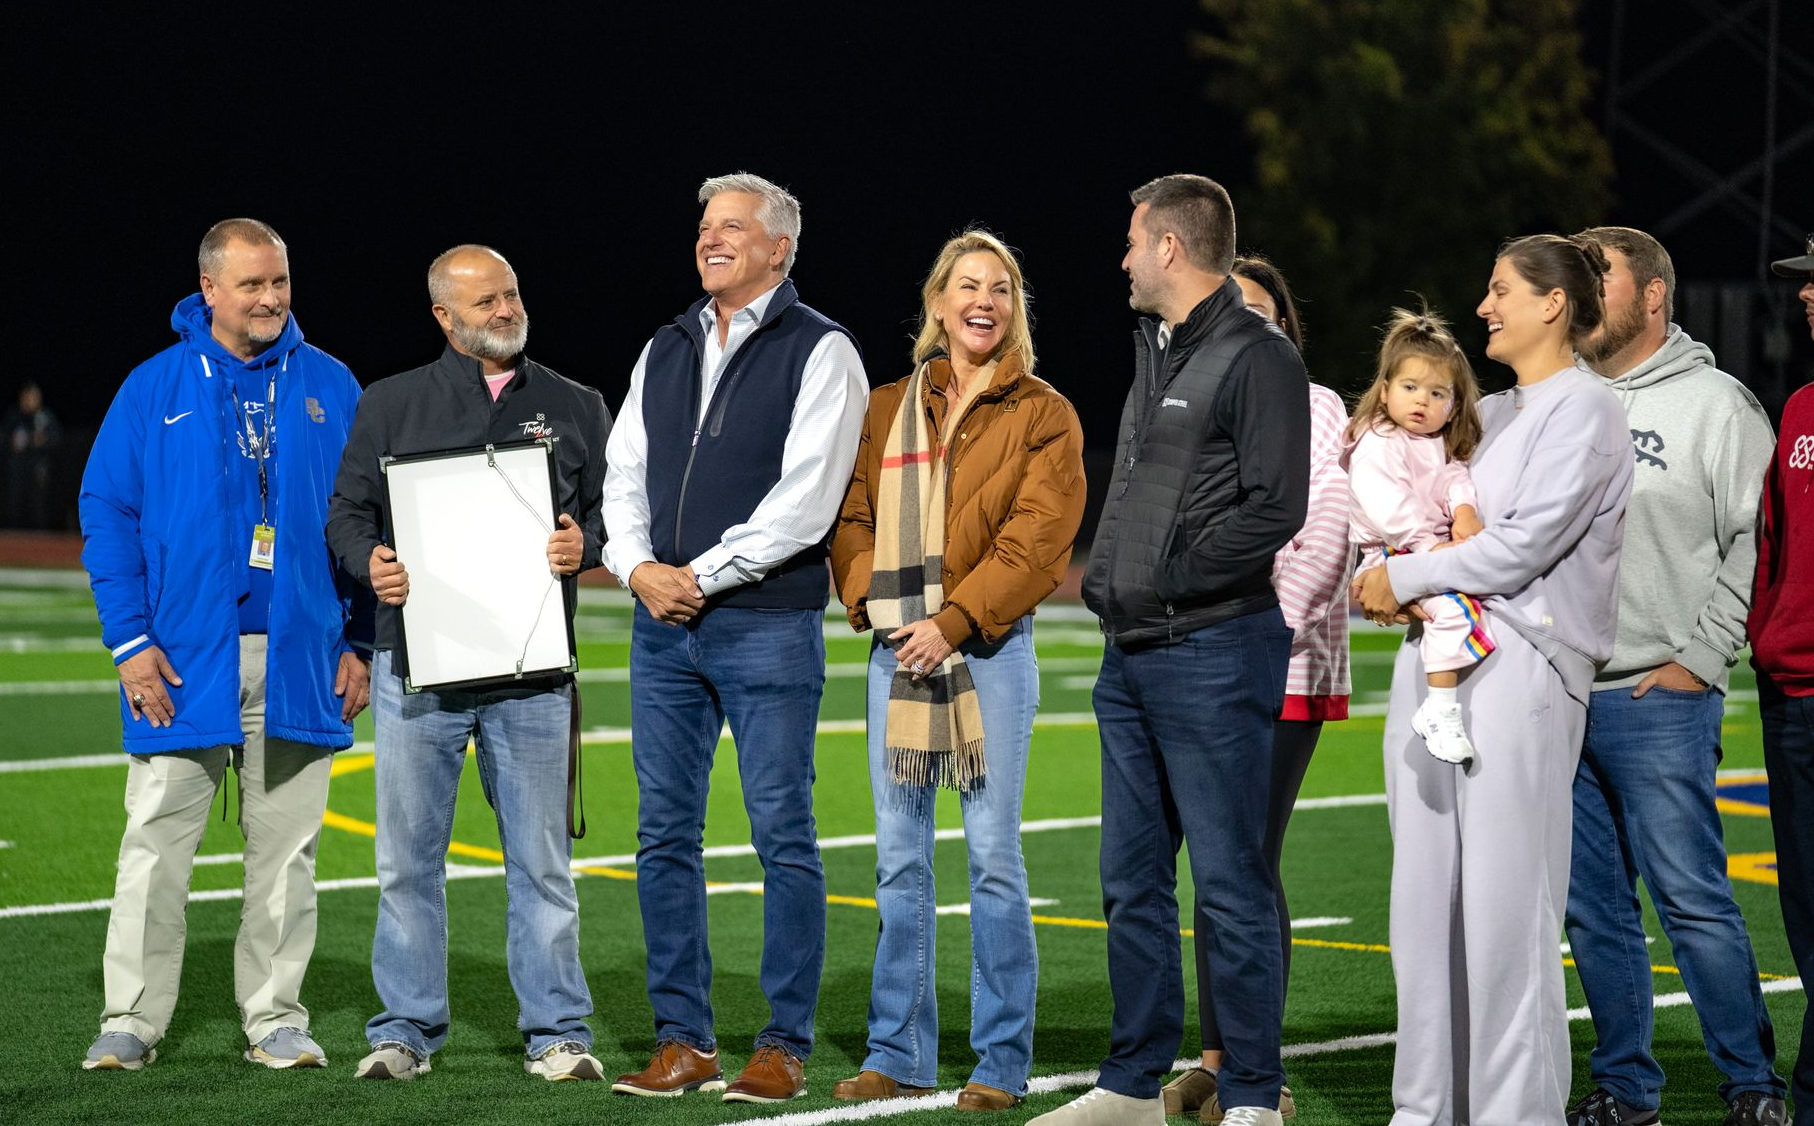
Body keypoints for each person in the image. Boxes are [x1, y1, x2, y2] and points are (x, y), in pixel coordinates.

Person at [1035, 174, 1310, 1126]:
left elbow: (1278, 507)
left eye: (1130, 239)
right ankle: (1130, 1083)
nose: (1120, 258)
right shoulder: (1157, 346)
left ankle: (1250, 1097)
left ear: (1169, 249)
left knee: (1230, 881)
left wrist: (1169, 574)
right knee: (1131, 880)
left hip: (1213, 649)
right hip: (1133, 657)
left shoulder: (1258, 354)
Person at [1354, 233, 1634, 1125]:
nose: (1485, 306)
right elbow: (1426, 523)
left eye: (1500, 289)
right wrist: (1388, 572)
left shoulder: (1588, 409)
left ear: (1554, 303)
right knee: (1423, 900)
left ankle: (1515, 1113)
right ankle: (1425, 1107)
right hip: (1435, 666)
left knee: (1509, 908)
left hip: (1524, 671)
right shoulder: (1494, 413)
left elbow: (1518, 550)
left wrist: (1400, 579)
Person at [78, 218, 370, 1072]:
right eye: (253, 285)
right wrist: (130, 643)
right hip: (179, 661)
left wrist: (358, 637)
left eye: (280, 282)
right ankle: (131, 1020)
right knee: (154, 852)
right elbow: (107, 513)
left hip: (302, 662)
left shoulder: (331, 384)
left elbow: (365, 521)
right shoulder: (152, 386)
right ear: (209, 289)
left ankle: (275, 1017)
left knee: (285, 861)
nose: (272, 299)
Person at [602, 172, 868, 1104]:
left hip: (764, 624)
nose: (712, 239)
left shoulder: (823, 350)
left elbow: (804, 505)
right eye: (706, 226)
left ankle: (783, 1045)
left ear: (780, 248)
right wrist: (637, 567)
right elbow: (623, 470)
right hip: (661, 628)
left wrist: (697, 577)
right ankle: (685, 1041)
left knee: (782, 835)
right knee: (662, 836)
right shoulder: (665, 345)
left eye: (735, 228)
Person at [325, 244, 613, 1083]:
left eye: (512, 294)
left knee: (542, 862)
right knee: (408, 862)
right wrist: (370, 560)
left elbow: (612, 517)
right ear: (444, 318)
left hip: (531, 678)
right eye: (484, 300)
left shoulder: (574, 404)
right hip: (418, 671)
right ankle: (405, 1030)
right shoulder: (391, 404)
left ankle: (557, 1031)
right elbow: (346, 513)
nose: (505, 309)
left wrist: (583, 544)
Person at [828, 230, 1085, 1111]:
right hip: (895, 653)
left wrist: (953, 621)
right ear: (938, 302)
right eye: (968, 285)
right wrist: (874, 603)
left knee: (992, 859)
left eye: (1002, 288)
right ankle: (897, 1050)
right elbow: (853, 519)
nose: (985, 301)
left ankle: (1000, 1059)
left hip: (990, 655)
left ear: (1014, 309)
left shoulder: (1043, 411)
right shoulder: (887, 404)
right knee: (899, 861)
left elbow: (1036, 540)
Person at [1560, 226, 1785, 1126]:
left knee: (1692, 902)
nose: (1577, 293)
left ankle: (1752, 1087)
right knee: (1596, 914)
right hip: (1564, 694)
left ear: (1653, 295)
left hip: (1662, 694)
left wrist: (1701, 659)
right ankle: (1625, 1088)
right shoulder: (1554, 400)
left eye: (1597, 277)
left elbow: (1754, 546)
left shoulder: (1718, 406)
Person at [1163, 255, 1351, 1124]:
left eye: (1263, 312)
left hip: (1275, 664)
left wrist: (1245, 629)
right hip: (1196, 657)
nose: (1247, 323)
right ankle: (1216, 1058)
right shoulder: (1185, 393)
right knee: (1217, 869)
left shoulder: (1313, 406)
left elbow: (1319, 541)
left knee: (1247, 865)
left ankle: (1258, 1073)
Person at [1347, 309, 1492, 767]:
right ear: (1385, 390)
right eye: (1410, 388)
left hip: (1423, 551)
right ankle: (1440, 710)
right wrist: (1434, 551)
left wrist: (1465, 510)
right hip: (1392, 554)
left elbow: (1453, 476)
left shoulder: (1434, 442)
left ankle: (1446, 703)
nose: (1421, 402)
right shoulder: (1377, 439)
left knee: (1469, 609)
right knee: (1451, 612)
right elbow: (1392, 510)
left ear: (1454, 403)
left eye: (1437, 393)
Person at [1752, 233, 1814, 1126]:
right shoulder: (1800, 407)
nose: (1806, 296)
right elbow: (1771, 544)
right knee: (1805, 912)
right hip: (1790, 688)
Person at [4, 381, 62, 528]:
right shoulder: (13, 417)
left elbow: (56, 439)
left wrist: (44, 440)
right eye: (27, 397)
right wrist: (11, 442)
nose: (30, 400)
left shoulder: (45, 417)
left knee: (38, 508)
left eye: (33, 396)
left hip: (38, 470)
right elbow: (5, 439)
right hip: (17, 471)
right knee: (14, 506)